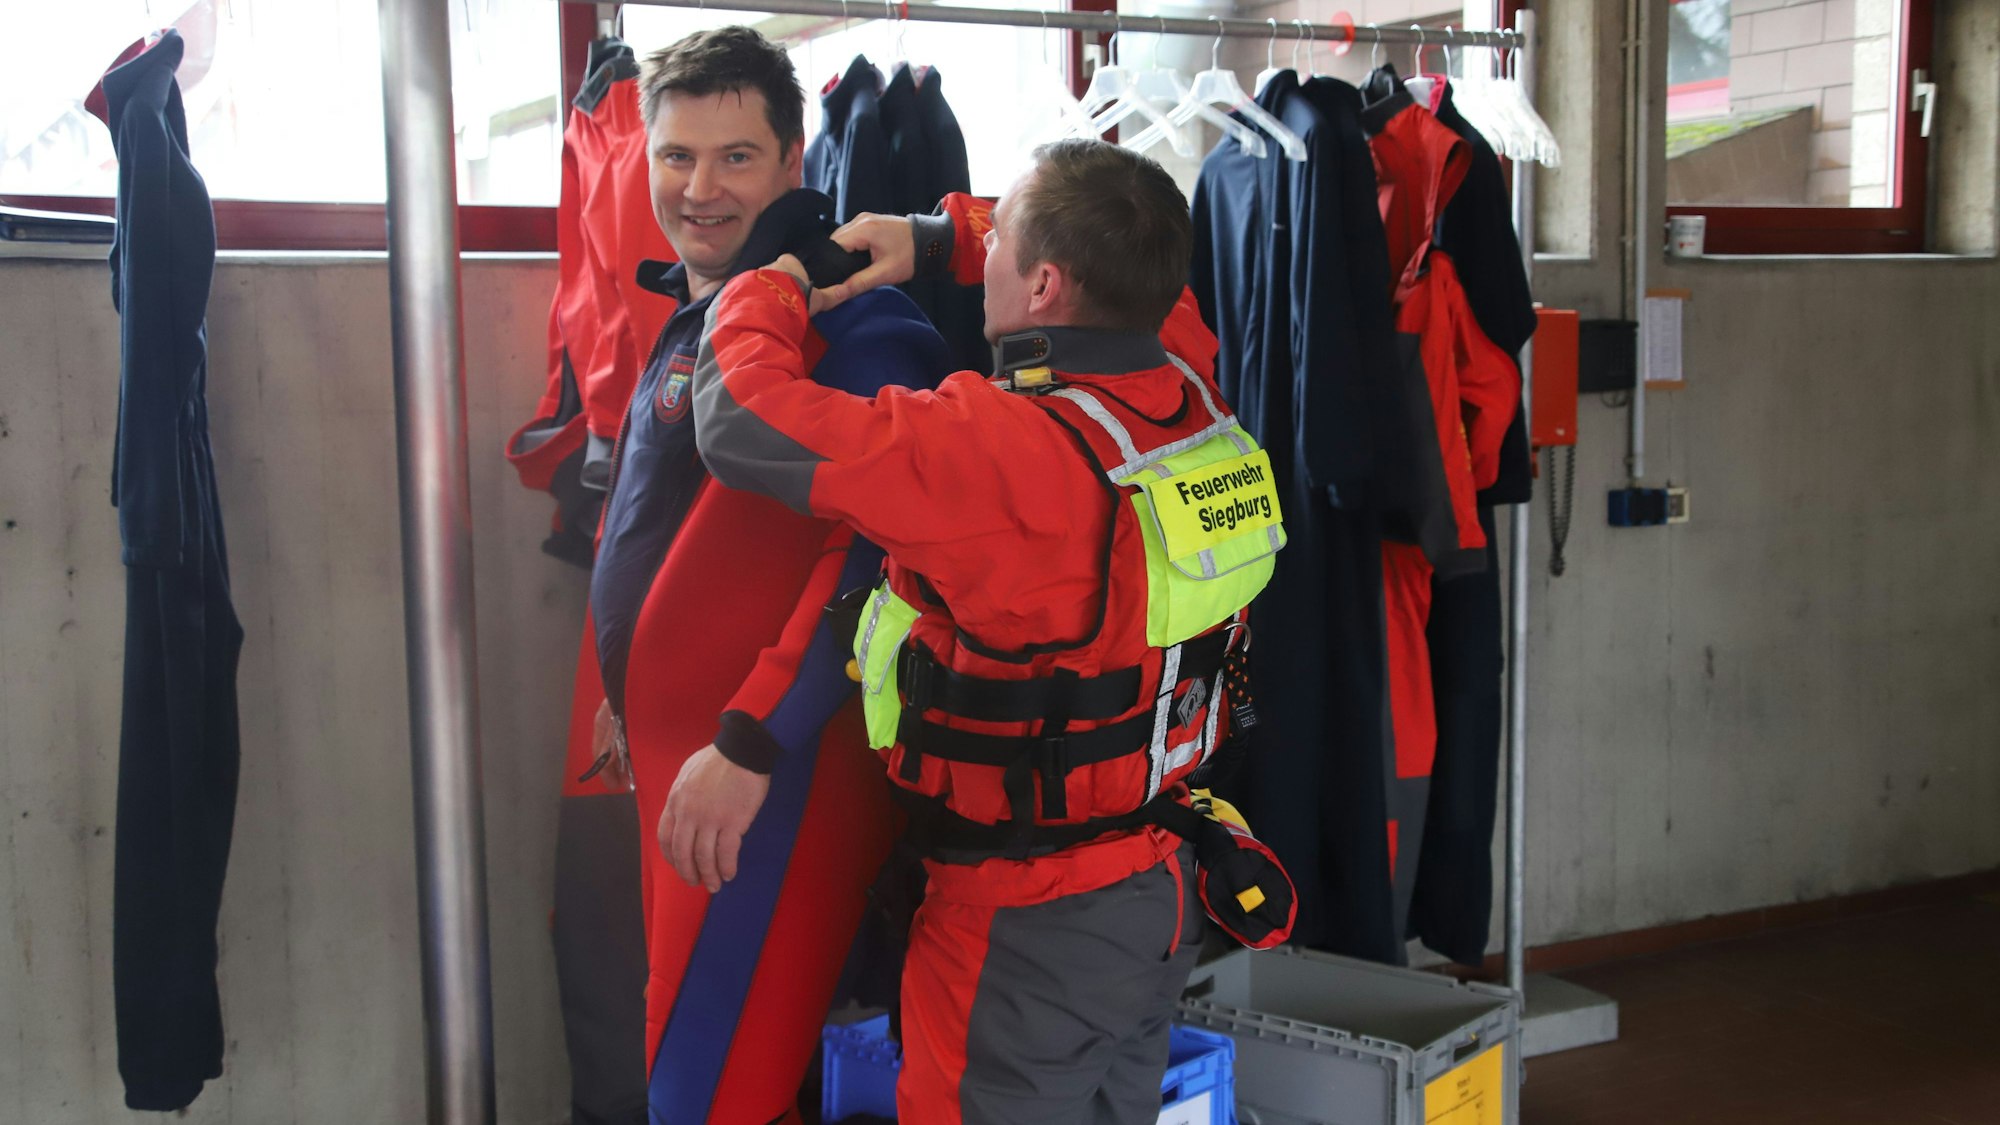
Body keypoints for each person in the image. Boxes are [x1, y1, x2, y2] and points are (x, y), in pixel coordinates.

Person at [689, 139, 1297, 1124]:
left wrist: (775, 281)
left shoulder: (993, 451)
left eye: (1002, 239)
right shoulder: (1191, 399)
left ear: (1046, 281)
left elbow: (738, 420)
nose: (988, 253)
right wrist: (942, 238)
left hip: (1022, 924)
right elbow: (1147, 282)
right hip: (1156, 889)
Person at [582, 27, 951, 1125]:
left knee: (706, 1095)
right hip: (687, 755)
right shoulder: (711, 307)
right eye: (675, 156)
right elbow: (664, 520)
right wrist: (625, 684)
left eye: (735, 157)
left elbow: (884, 552)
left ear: (796, 162)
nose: (699, 188)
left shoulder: (857, 321)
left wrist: (754, 739)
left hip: (772, 773)